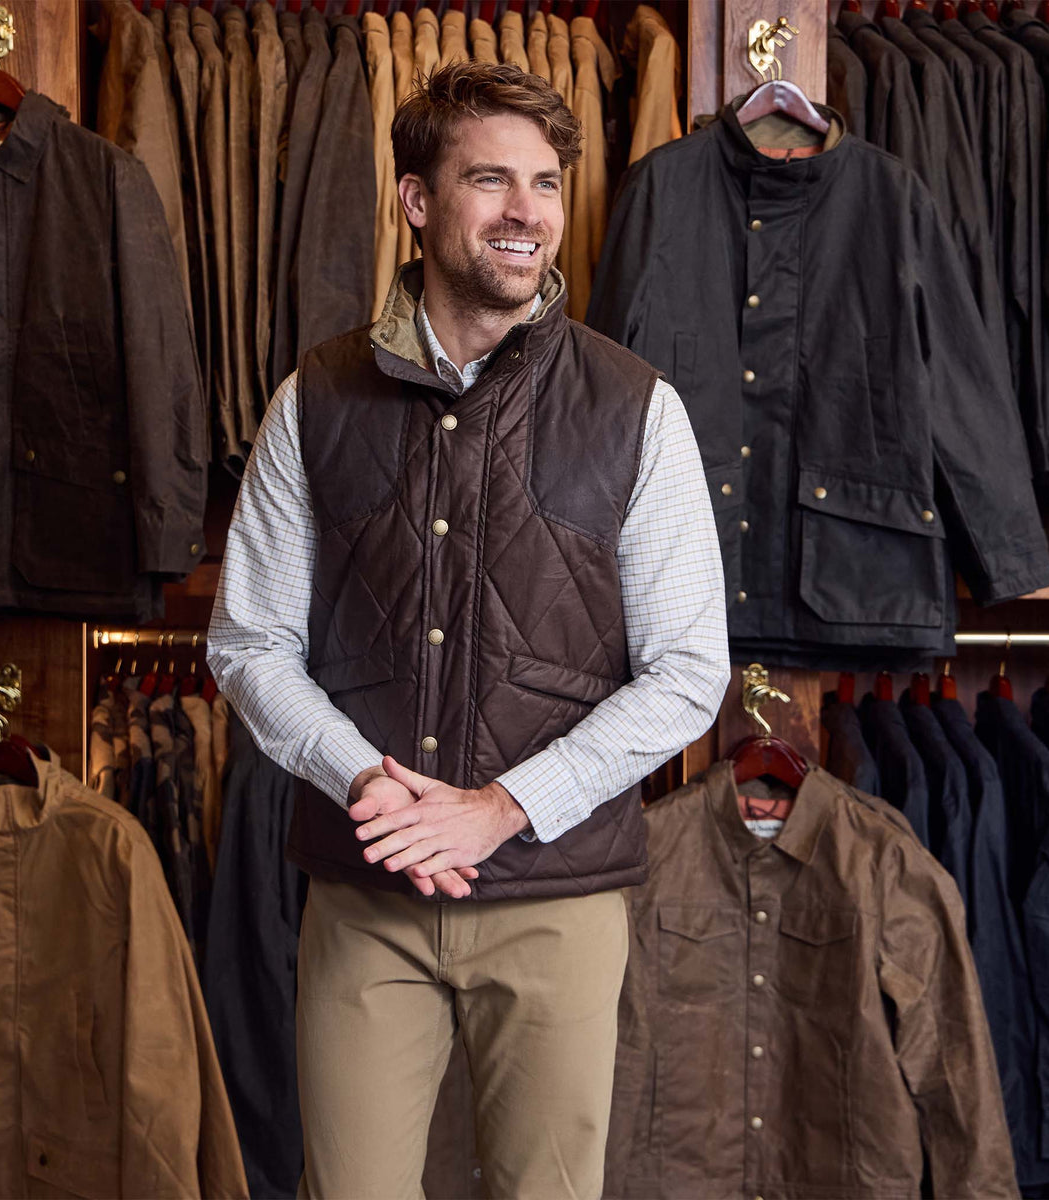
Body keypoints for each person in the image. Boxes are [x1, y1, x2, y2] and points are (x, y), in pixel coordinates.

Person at [208, 61, 729, 1200]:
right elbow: (248, 643)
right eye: (489, 180)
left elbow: (690, 673)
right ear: (415, 200)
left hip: (556, 899)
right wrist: (368, 785)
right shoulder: (317, 397)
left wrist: (501, 809)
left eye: (543, 184)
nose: (525, 213)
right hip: (366, 894)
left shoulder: (637, 407)